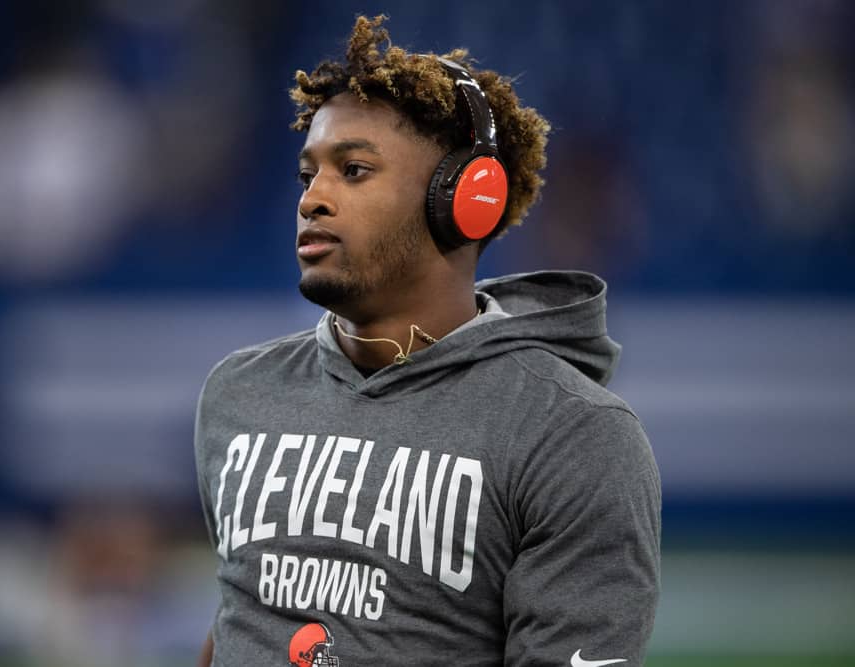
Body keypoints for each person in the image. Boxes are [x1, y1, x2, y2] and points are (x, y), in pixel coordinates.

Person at [194, 15, 660, 667]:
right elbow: (242, 625)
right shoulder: (238, 394)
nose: (313, 199)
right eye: (307, 175)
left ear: (463, 201)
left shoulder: (575, 438)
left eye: (353, 170)